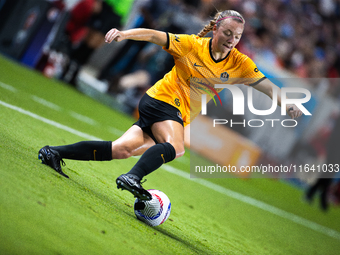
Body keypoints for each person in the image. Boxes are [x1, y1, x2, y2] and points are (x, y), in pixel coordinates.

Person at [38, 10, 302, 201]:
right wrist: (124, 34)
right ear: (215, 30)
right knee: (176, 148)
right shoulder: (190, 45)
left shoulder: (240, 63)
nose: (232, 39)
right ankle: (133, 178)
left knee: (121, 149)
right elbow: (154, 36)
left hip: (175, 113)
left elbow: (266, 86)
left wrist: (287, 103)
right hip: (162, 102)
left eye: (237, 36)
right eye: (228, 33)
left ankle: (53, 152)